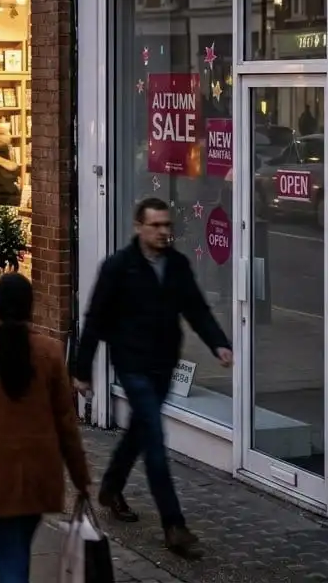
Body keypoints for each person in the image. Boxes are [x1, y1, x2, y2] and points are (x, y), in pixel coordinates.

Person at [73, 197, 232, 559]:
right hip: (132, 363)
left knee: (141, 431)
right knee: (155, 440)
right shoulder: (119, 267)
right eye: (156, 226)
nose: (163, 232)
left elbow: (195, 308)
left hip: (163, 364)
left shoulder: (176, 265)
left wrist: (218, 344)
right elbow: (95, 318)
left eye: (167, 226)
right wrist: (82, 370)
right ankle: (174, 525)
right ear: (139, 227)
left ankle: (111, 487)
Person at [0, 273, 91, 583]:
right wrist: (81, 477)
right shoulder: (50, 352)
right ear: (30, 307)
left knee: (9, 557)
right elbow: (66, 423)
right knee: (18, 549)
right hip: (39, 474)